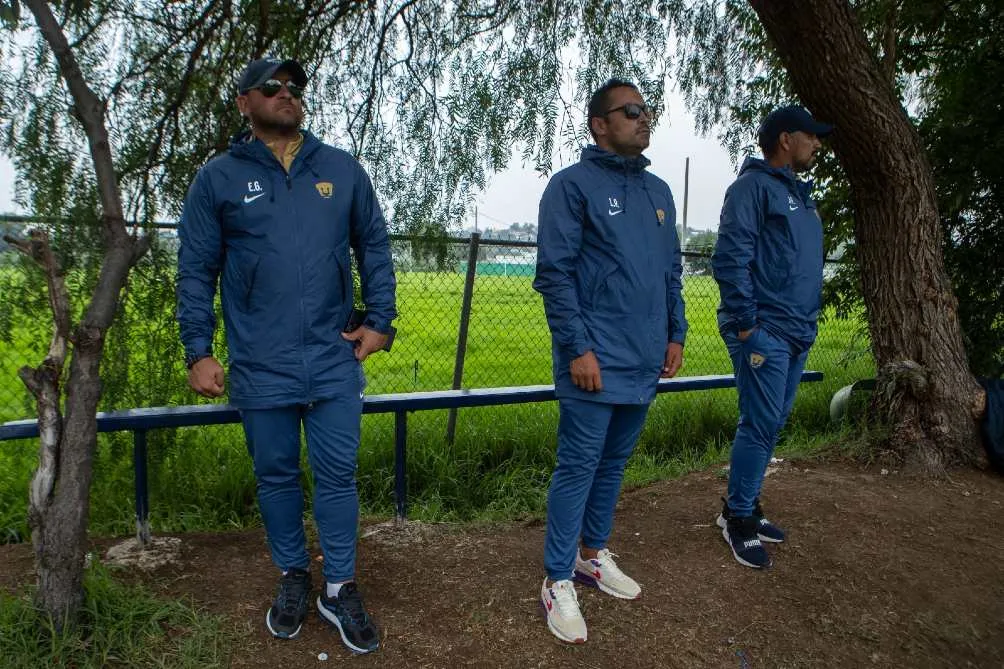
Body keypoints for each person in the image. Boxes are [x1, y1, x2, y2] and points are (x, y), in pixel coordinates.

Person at [176, 56, 396, 653]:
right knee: (275, 475)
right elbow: (195, 269)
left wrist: (381, 322)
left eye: (294, 86)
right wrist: (198, 349)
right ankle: (295, 575)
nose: (287, 93)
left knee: (337, 475)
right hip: (260, 362)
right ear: (244, 103)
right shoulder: (217, 178)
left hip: (332, 358)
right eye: (271, 87)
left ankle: (340, 585)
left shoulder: (341, 170)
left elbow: (373, 244)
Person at [533, 78, 688, 643]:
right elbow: (555, 275)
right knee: (578, 467)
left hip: (644, 359)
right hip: (593, 360)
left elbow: (672, 271)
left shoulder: (660, 193)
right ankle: (556, 578)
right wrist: (578, 348)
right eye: (631, 111)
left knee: (613, 465)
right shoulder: (571, 187)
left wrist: (676, 332)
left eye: (646, 110)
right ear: (599, 124)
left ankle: (592, 554)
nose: (643, 118)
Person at [711, 105, 832, 569]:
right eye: (812, 136)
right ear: (786, 139)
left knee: (772, 423)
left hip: (798, 330)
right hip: (766, 331)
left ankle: (746, 504)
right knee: (759, 424)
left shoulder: (801, 196)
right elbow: (731, 258)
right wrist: (746, 325)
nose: (817, 144)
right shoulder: (752, 189)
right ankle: (737, 519)